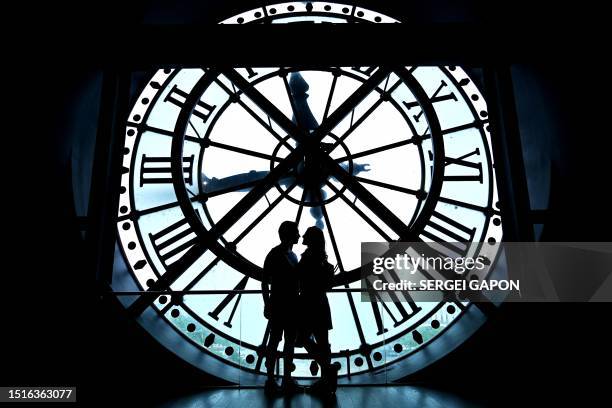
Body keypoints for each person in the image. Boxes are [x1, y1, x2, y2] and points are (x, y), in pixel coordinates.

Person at [297, 226, 338, 394]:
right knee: (322, 342)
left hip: (308, 303)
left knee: (304, 339)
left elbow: (299, 278)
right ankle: (326, 379)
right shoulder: (321, 258)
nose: (302, 236)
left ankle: (327, 372)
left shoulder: (307, 258)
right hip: (320, 303)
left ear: (310, 239)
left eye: (306, 235)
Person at [262, 221, 301, 394]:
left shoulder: (274, 254)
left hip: (278, 304)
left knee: (274, 342)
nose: (299, 235)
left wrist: (267, 303)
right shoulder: (293, 256)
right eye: (296, 232)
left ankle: (271, 379)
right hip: (291, 305)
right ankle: (286, 379)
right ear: (289, 235)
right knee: (289, 343)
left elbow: (264, 282)